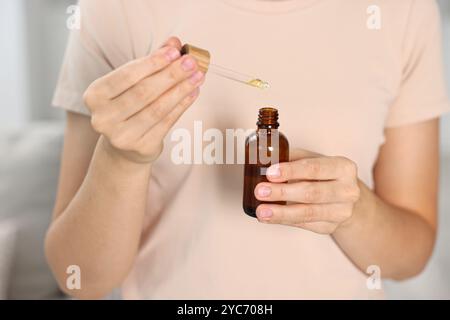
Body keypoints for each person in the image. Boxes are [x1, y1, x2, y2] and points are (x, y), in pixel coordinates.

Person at [45, 0, 450, 299]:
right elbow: (79, 276)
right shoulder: (113, 10)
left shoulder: (402, 11)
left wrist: (354, 210)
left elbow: (409, 257)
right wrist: (122, 159)